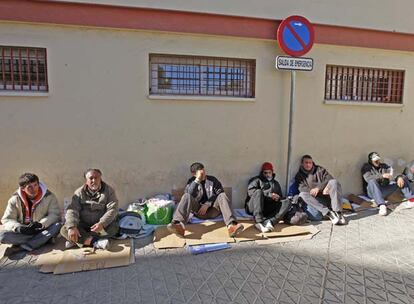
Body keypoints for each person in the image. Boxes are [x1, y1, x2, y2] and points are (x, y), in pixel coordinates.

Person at [167, 162, 244, 237]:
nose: (203, 174)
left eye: (203, 171)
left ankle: (232, 225)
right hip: (198, 211)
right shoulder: (191, 181)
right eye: (200, 173)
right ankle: (178, 225)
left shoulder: (213, 180)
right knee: (186, 196)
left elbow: (219, 191)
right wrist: (197, 180)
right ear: (194, 174)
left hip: (213, 210)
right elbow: (189, 194)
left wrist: (208, 203)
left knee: (222, 195)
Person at [0, 173, 61, 252]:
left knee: (57, 225)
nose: (34, 189)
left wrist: (41, 224)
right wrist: (18, 228)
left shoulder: (49, 196)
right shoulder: (14, 200)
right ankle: (41, 241)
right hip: (23, 233)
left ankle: (25, 246)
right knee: (2, 236)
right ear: (23, 189)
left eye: (35, 185)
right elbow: (7, 220)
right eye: (29, 187)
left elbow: (54, 214)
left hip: (41, 229)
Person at [61, 169, 119, 249]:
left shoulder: (109, 191)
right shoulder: (79, 192)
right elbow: (72, 210)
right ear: (86, 181)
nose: (94, 180)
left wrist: (102, 223)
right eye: (91, 178)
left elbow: (113, 209)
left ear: (100, 179)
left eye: (96, 178)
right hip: (83, 225)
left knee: (114, 227)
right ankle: (96, 243)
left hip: (100, 227)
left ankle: (78, 241)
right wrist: (72, 227)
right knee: (65, 229)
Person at [295, 155, 346, 225]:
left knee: (334, 182)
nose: (308, 164)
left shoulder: (320, 170)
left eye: (310, 162)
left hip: (327, 195)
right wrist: (314, 191)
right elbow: (302, 188)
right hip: (316, 200)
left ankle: (338, 213)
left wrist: (319, 188)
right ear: (302, 164)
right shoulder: (299, 176)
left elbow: (329, 178)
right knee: (302, 194)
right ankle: (328, 213)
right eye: (306, 162)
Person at [245, 162, 292, 232]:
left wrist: (277, 198)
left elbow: (280, 198)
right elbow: (251, 192)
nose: (267, 175)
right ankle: (259, 222)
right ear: (262, 173)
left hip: (268, 208)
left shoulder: (276, 184)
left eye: (269, 172)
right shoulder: (256, 180)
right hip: (254, 207)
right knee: (258, 191)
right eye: (265, 173)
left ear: (272, 172)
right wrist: (269, 195)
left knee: (287, 202)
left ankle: (270, 221)